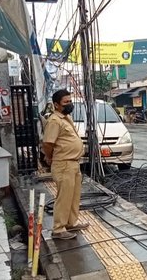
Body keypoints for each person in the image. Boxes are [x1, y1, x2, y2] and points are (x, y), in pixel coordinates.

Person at [42, 89, 90, 240]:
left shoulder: (65, 117)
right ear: (56, 105)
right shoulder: (54, 120)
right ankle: (58, 228)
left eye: (70, 101)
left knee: (73, 195)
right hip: (63, 164)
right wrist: (49, 158)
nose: (69, 104)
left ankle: (71, 222)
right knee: (64, 197)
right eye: (66, 102)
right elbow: (48, 143)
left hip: (74, 163)